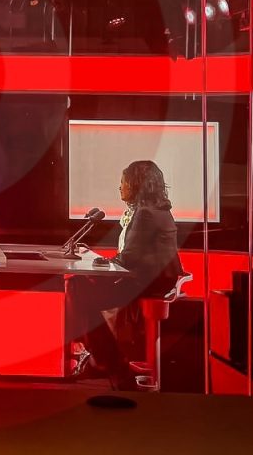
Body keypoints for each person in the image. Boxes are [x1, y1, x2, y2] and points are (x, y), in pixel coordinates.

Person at [67, 160, 183, 390]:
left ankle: (110, 362)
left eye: (124, 182)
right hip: (154, 279)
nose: (120, 187)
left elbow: (129, 259)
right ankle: (101, 358)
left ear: (136, 184)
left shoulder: (145, 214)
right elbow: (132, 255)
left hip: (147, 282)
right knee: (80, 286)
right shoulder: (158, 210)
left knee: (78, 287)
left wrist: (103, 264)